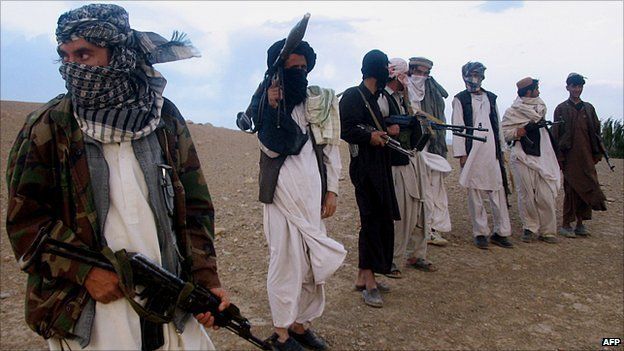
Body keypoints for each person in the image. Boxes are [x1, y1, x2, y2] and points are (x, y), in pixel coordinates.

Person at [5, 4, 228, 350]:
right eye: (66, 57)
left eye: (85, 54)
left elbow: (195, 207)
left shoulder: (163, 118)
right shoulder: (48, 127)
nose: (74, 68)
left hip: (166, 293)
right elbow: (26, 223)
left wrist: (205, 276)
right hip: (91, 309)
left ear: (119, 54)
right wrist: (85, 273)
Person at [250, 39, 346, 351]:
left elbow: (331, 150)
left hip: (313, 199)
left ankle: (302, 326)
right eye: (292, 68)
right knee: (285, 262)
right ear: (278, 70)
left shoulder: (319, 103)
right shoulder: (265, 104)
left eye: (303, 67)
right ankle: (281, 333)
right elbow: (271, 146)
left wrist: (331, 190)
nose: (299, 72)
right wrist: (274, 107)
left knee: (310, 266)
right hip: (281, 198)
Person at [340, 50, 400, 308]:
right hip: (364, 169)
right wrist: (370, 137)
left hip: (380, 166)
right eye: (385, 66)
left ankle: (364, 276)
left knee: (380, 218)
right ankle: (370, 281)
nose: (389, 71)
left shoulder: (374, 98)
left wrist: (385, 132)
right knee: (371, 220)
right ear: (376, 69)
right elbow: (346, 128)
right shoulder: (354, 95)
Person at [377, 58, 436, 279]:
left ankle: (417, 253)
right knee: (403, 212)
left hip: (413, 158)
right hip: (396, 161)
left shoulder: (404, 99)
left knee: (421, 206)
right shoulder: (383, 99)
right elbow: (377, 126)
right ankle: (392, 259)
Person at [451, 61, 513, 250]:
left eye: (478, 74)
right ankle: (480, 233)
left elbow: (497, 126)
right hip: (472, 152)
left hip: (492, 152)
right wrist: (461, 153)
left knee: (497, 191)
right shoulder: (460, 99)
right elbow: (458, 127)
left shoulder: (491, 98)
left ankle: (501, 232)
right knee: (475, 192)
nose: (475, 78)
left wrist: (502, 149)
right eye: (472, 74)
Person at [501, 77, 561, 244]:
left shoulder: (540, 107)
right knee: (526, 194)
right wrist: (519, 131)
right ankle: (530, 228)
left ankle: (548, 231)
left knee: (545, 194)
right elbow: (504, 133)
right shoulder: (512, 112)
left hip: (543, 155)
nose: (538, 91)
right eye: (536, 88)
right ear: (528, 91)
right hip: (521, 155)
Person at [552, 73, 607, 238]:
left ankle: (581, 223)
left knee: (587, 187)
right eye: (574, 86)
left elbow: (596, 132)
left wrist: (597, 152)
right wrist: (559, 157)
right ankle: (566, 223)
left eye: (579, 86)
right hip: (569, 157)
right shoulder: (561, 108)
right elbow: (556, 135)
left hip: (586, 156)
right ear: (567, 87)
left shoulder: (589, 108)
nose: (577, 89)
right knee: (571, 189)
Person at [407, 57, 452, 247]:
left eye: (426, 74)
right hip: (412, 148)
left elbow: (439, 117)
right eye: (419, 72)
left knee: (435, 186)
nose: (422, 77)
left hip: (432, 146)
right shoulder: (403, 89)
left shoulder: (432, 93)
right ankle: (419, 229)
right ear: (411, 71)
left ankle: (433, 228)